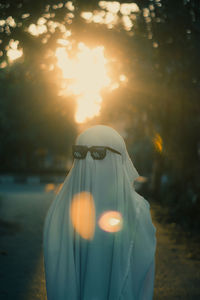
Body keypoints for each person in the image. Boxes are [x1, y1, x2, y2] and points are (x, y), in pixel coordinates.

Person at [43, 125, 156, 300]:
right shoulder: (60, 211)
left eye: (98, 153)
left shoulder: (137, 211)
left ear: (117, 158)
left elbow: (141, 274)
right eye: (80, 152)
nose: (88, 161)